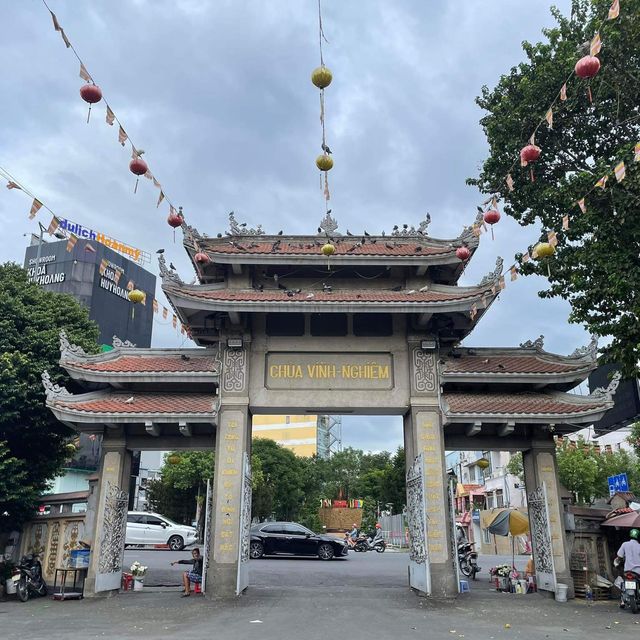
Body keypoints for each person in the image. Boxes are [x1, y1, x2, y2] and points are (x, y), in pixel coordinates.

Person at [614, 528, 640, 608]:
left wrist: (617, 563)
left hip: (627, 571)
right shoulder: (639, 546)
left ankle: (622, 600)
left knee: (624, 583)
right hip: (638, 571)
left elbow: (619, 556)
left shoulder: (625, 544)